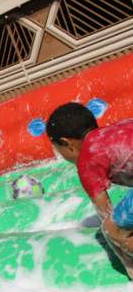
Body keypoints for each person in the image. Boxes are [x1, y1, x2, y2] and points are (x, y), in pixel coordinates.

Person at [46, 102, 133, 277]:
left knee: (112, 229)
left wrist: (128, 266)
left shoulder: (87, 160)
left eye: (59, 150)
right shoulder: (119, 128)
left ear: (67, 143)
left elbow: (106, 217)